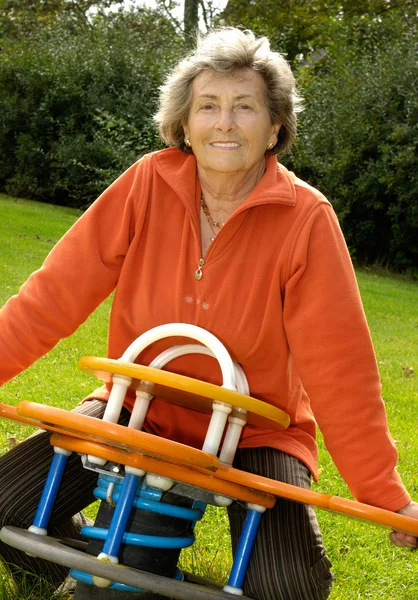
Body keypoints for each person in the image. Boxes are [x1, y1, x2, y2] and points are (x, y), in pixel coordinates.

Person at [0, 27, 416, 600]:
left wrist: (385, 497)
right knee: (6, 509)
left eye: (245, 107)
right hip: (135, 407)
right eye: (209, 106)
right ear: (184, 124)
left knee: (285, 588)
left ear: (274, 128)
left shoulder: (307, 219)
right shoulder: (148, 182)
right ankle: (87, 578)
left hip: (257, 431)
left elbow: (339, 367)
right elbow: (51, 299)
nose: (225, 122)